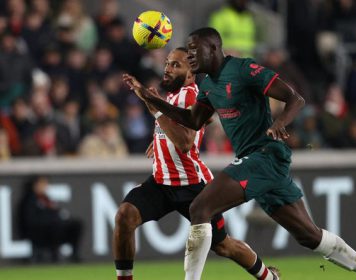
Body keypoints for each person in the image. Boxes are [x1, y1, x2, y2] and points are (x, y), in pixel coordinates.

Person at [123, 27, 356, 280]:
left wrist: (280, 122)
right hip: (257, 163)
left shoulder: (244, 69)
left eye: (194, 50)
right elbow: (192, 121)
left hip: (265, 155)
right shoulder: (208, 86)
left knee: (200, 208)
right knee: (309, 236)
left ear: (213, 49)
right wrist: (152, 99)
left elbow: (295, 98)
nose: (191, 56)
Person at [115, 48, 279, 280]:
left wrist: (154, 110)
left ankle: (269, 277)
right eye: (168, 63)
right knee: (125, 215)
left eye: (175, 65)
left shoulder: (191, 94)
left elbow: (184, 142)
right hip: (162, 183)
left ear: (191, 74)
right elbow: (181, 129)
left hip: (193, 186)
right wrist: (159, 141)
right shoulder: (172, 97)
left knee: (224, 246)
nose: (168, 68)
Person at [17, 175, 83, 263]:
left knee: (76, 224)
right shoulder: (28, 200)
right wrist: (51, 221)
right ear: (35, 185)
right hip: (38, 232)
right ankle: (54, 255)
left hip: (53, 228)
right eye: (42, 184)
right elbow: (30, 220)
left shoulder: (46, 198)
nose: (45, 187)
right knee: (55, 227)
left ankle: (74, 254)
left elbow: (55, 212)